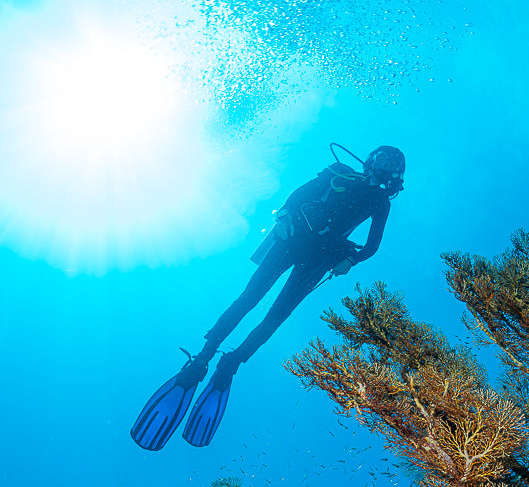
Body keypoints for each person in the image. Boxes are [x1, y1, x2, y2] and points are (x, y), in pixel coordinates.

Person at [131, 143, 405, 449]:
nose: (385, 164)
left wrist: (351, 259)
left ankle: (232, 363)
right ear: (372, 160)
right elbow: (298, 195)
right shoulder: (339, 173)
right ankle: (205, 355)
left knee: (276, 316)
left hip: (323, 255)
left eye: (392, 162)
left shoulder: (381, 200)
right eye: (383, 157)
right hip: (293, 237)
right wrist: (285, 217)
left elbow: (372, 245)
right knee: (249, 298)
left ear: (396, 173)